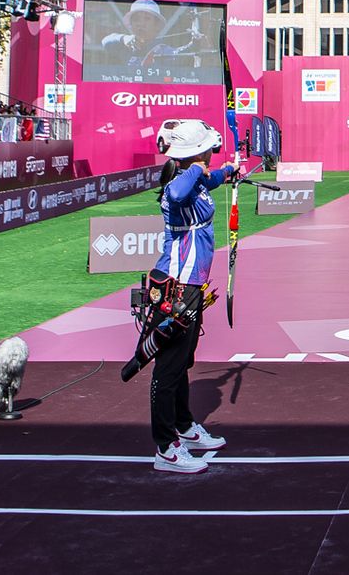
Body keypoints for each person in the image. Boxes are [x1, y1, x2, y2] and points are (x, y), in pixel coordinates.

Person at [147, 119, 238, 474]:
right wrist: (197, 165)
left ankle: (184, 427)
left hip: (192, 286)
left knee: (183, 361)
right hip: (175, 286)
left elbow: (206, 181)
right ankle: (165, 447)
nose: (211, 157)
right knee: (167, 369)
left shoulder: (196, 178)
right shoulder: (178, 181)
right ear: (194, 153)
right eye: (207, 151)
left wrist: (226, 171)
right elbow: (179, 192)